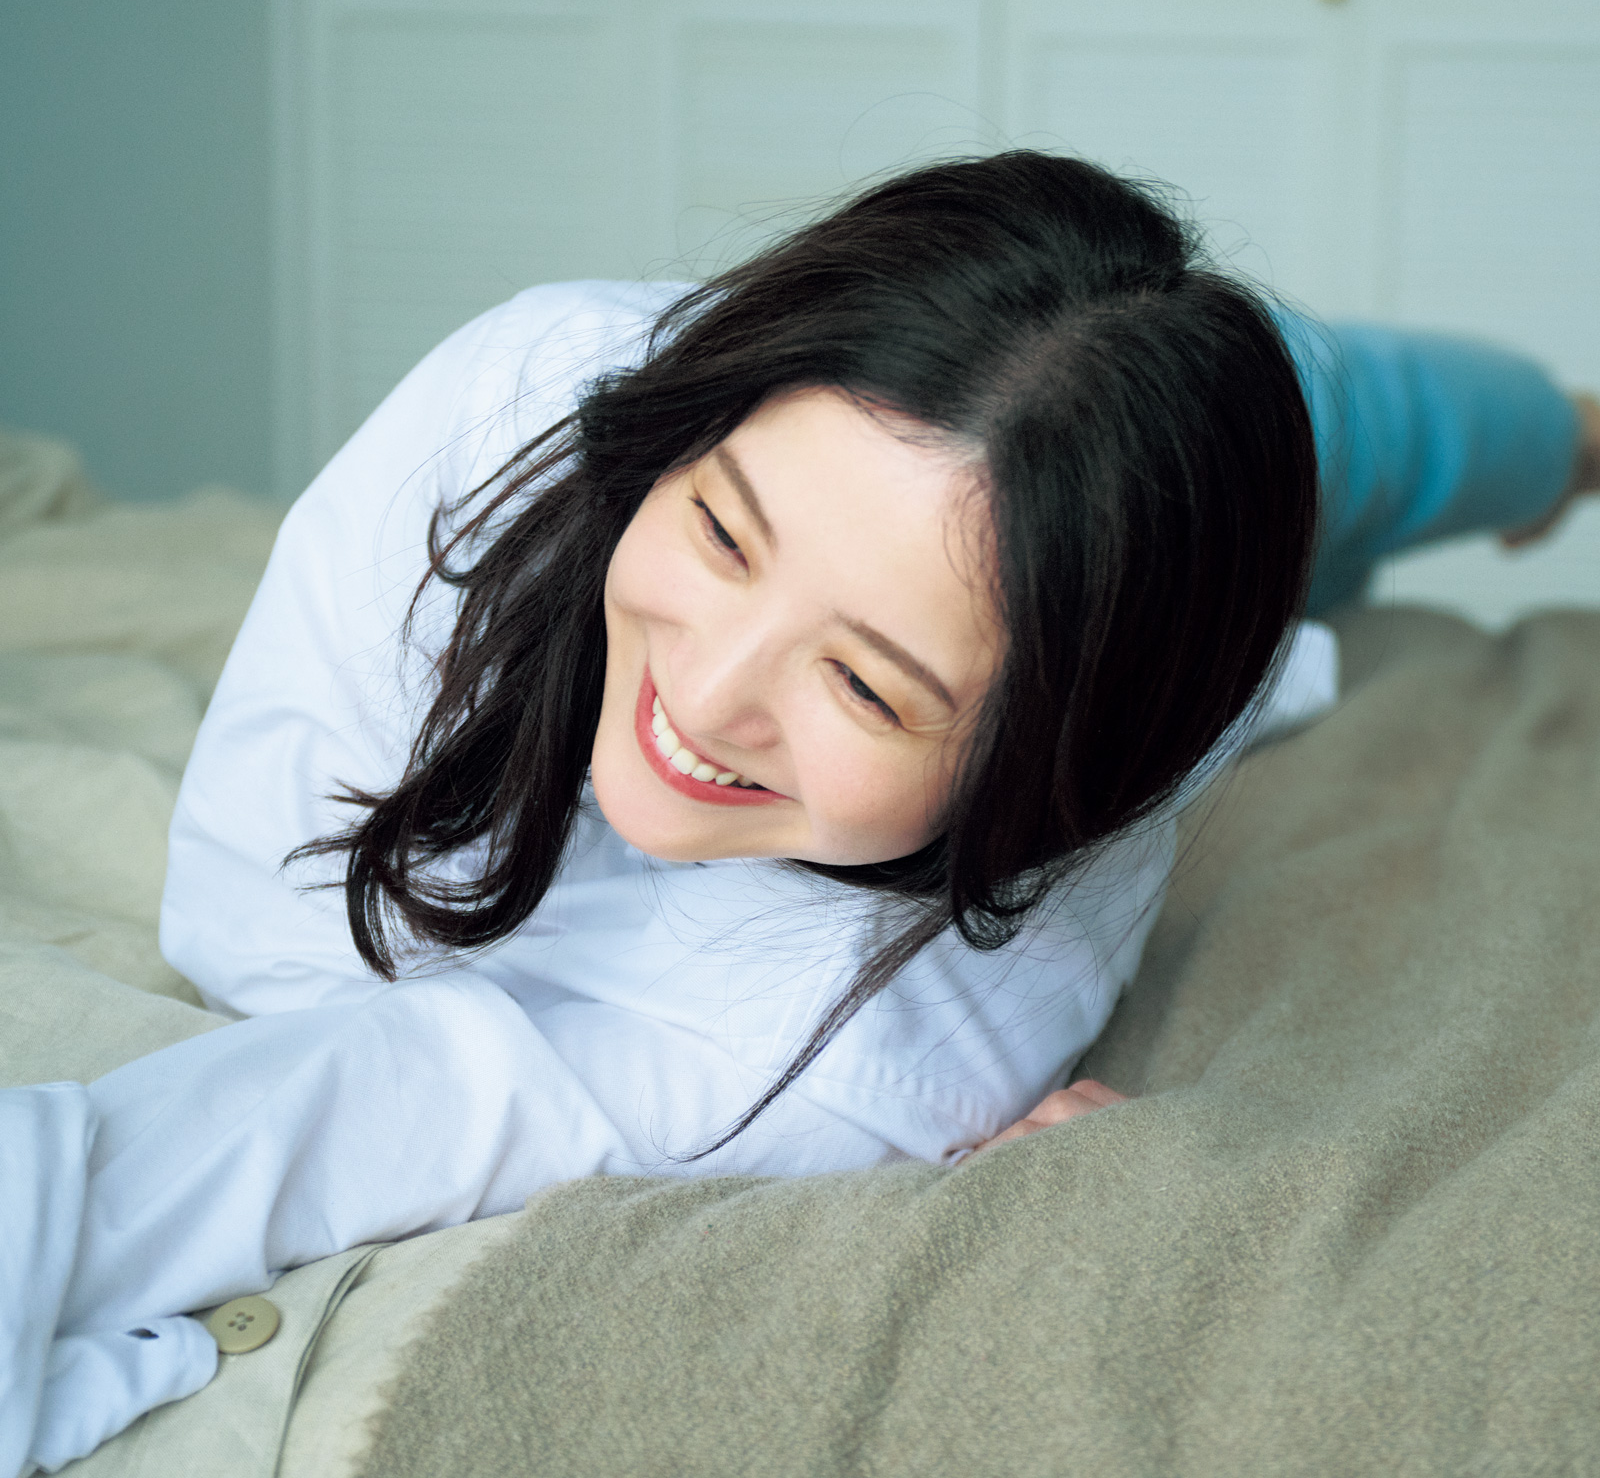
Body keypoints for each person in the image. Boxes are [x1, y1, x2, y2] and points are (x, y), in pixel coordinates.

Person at [3, 152, 1591, 1475]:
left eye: (868, 686)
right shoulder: (527, 404)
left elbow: (380, 1093)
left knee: (1392, 431)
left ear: (1043, 774)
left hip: (1209, 515)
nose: (707, 696)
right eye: (721, 531)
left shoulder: (901, 1037)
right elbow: (267, 919)